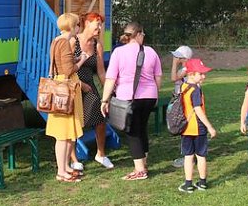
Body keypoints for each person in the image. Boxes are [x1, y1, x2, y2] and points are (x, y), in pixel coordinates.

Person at [100, 22, 162, 181]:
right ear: (138, 34)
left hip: (128, 97)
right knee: (142, 129)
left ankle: (139, 170)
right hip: (149, 97)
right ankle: (144, 163)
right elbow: (158, 77)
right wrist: (155, 93)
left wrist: (105, 99)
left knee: (132, 133)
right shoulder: (151, 51)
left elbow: (111, 79)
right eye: (143, 34)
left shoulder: (119, 52)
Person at [46, 13, 89, 183]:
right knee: (62, 135)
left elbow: (62, 63)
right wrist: (82, 61)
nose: (79, 27)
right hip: (65, 90)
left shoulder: (56, 40)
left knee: (65, 134)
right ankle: (61, 171)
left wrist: (76, 58)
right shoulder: (65, 42)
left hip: (60, 86)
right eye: (78, 24)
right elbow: (69, 70)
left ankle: (66, 168)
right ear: (73, 27)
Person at [70, 12, 113, 170]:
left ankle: (100, 154)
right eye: (97, 24)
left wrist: (108, 91)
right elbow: (66, 68)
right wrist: (79, 84)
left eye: (101, 24)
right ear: (87, 23)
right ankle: (74, 159)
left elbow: (101, 72)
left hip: (89, 85)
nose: (100, 27)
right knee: (73, 123)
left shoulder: (97, 45)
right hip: (73, 85)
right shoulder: (73, 41)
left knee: (100, 118)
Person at [177, 58, 218, 192]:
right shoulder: (195, 90)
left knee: (188, 156)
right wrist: (210, 127)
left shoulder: (183, 86)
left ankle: (188, 184)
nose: (203, 76)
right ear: (191, 74)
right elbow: (198, 109)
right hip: (198, 128)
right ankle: (202, 182)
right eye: (200, 74)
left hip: (185, 128)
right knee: (201, 156)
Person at [170, 45, 193, 169]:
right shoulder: (185, 67)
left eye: (178, 56)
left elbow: (173, 78)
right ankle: (187, 155)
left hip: (184, 101)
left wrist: (174, 63)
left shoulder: (187, 68)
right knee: (184, 127)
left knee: (184, 127)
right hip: (182, 99)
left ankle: (187, 157)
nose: (176, 58)